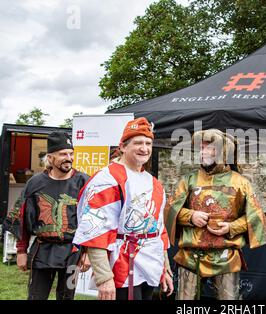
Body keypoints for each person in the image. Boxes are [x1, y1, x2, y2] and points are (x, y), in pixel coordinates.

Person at [72, 117, 173, 300]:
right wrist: (104, 278)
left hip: (151, 265)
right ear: (123, 146)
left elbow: (159, 230)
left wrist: (164, 268)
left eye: (148, 143)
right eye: (138, 143)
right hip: (121, 266)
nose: (144, 148)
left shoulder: (155, 184)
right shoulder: (107, 179)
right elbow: (95, 232)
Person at [165, 129, 266, 300]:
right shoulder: (188, 180)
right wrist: (190, 216)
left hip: (226, 256)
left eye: (208, 147)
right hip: (191, 256)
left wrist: (231, 227)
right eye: (201, 147)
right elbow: (169, 209)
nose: (202, 152)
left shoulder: (240, 183)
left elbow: (256, 217)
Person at [15, 131, 90, 300]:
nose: (68, 158)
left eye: (71, 154)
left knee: (67, 296)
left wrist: (88, 252)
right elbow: (21, 218)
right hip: (42, 251)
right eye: (63, 154)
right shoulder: (35, 183)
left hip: (74, 252)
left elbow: (92, 221)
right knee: (36, 296)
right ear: (50, 158)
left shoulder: (85, 182)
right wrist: (21, 250)